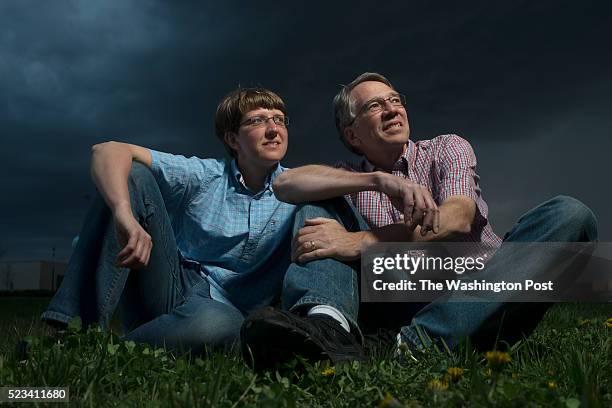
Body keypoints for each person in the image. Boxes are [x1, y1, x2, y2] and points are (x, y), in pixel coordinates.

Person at [272, 72, 598, 353]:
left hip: (480, 290)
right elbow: (285, 183)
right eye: (374, 106)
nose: (391, 109)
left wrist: (360, 242)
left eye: (395, 100)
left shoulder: (446, 148)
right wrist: (379, 180)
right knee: (316, 201)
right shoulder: (351, 176)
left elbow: (456, 221)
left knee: (571, 214)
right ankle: (326, 326)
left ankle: (415, 342)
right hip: (401, 299)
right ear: (352, 134)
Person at [41, 88, 364, 369]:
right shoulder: (203, 175)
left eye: (279, 120)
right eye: (258, 120)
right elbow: (107, 150)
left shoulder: (296, 186)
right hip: (171, 288)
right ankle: (68, 332)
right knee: (132, 175)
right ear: (232, 138)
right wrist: (125, 213)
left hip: (223, 315)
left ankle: (104, 352)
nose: (273, 129)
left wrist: (381, 181)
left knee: (218, 325)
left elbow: (332, 178)